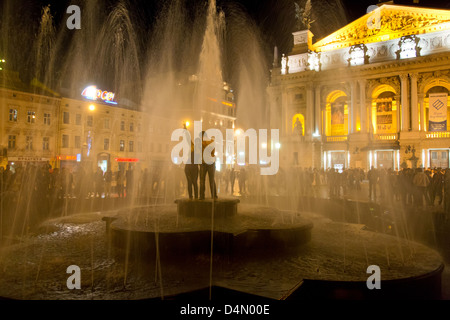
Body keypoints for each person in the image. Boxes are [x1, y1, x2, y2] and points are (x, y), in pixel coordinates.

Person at [183, 123, 200, 199]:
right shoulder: (193, 147)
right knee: (190, 182)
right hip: (188, 168)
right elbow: (188, 138)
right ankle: (191, 197)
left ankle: (196, 197)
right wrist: (185, 129)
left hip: (194, 168)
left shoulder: (201, 150)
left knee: (194, 183)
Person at [199, 131, 217, 200]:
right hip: (209, 162)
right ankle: (214, 195)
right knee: (211, 180)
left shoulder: (202, 143)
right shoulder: (211, 141)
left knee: (202, 180)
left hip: (205, 163)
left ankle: (202, 196)